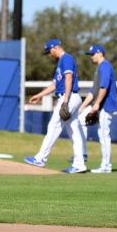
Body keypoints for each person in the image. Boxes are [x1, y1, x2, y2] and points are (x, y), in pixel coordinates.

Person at [24, 39, 87, 173]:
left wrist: (65, 100)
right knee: (74, 131)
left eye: (49, 52)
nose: (49, 55)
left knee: (54, 126)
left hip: (68, 96)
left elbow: (69, 78)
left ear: (55, 48)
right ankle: (79, 164)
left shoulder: (66, 58)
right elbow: (54, 85)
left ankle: (41, 158)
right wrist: (39, 95)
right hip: (70, 97)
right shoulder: (61, 62)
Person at [78, 44, 117, 173]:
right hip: (101, 105)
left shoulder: (105, 66)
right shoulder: (100, 68)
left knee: (104, 135)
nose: (91, 57)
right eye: (90, 54)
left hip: (106, 106)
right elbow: (93, 91)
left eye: (92, 54)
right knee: (82, 122)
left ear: (100, 53)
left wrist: (97, 104)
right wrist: (82, 106)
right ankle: (84, 155)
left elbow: (104, 87)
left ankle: (106, 165)